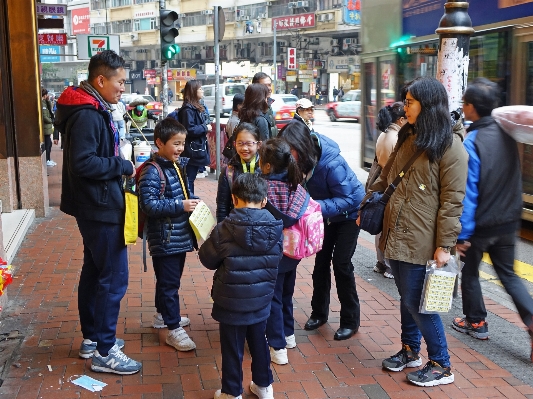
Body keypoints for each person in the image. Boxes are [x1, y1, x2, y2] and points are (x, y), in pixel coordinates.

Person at [361, 76, 468, 387]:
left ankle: (441, 364)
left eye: (409, 102)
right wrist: (367, 205)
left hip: (423, 238)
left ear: (428, 105)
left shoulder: (450, 147)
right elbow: (387, 176)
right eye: (405, 101)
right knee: (407, 297)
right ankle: (411, 350)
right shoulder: (409, 136)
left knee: (419, 302)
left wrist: (444, 245)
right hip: (397, 230)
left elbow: (452, 202)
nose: (403, 107)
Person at [54, 50, 142, 374]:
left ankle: (93, 338)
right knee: (114, 277)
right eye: (119, 82)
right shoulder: (88, 113)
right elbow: (83, 162)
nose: (122, 88)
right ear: (100, 80)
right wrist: (123, 165)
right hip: (99, 205)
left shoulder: (90, 107)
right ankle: (105, 351)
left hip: (93, 203)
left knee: (94, 270)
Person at [452, 78, 533, 355]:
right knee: (509, 275)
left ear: (472, 108)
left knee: (471, 272)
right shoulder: (508, 133)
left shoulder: (472, 140)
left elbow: (469, 192)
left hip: (482, 226)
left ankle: (476, 322)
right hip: (509, 221)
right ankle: (532, 321)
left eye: (465, 103)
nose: (463, 108)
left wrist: (463, 234)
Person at [199, 173, 283, 399]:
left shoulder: (225, 228)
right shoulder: (275, 229)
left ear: (234, 199)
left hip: (231, 301)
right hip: (261, 299)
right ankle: (264, 387)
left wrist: (209, 239)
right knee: (259, 342)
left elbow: (207, 260)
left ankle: (231, 392)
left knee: (232, 347)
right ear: (264, 200)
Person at [279, 123, 365, 341]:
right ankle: (319, 314)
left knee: (341, 264)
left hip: (349, 215)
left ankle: (350, 321)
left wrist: (313, 206)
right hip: (324, 216)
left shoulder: (330, 163)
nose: (287, 155)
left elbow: (350, 198)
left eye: (290, 150)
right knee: (320, 263)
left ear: (302, 146)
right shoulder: (297, 162)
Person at [137, 118, 199, 352]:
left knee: (168, 281)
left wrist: (193, 202)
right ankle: (173, 329)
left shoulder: (175, 165)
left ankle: (163, 315)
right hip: (165, 237)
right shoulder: (152, 171)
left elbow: (183, 192)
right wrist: (181, 205)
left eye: (182, 143)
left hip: (178, 235)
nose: (180, 148)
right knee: (169, 284)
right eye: (176, 143)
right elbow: (149, 205)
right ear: (159, 143)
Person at [259, 138, 309, 365]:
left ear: (268, 166)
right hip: (293, 251)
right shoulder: (296, 186)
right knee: (287, 295)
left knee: (274, 299)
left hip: (273, 253)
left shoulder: (264, 188)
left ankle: (277, 347)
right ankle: (289, 336)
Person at [372, 102, 407, 279]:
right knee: (390, 228)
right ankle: (388, 265)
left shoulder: (383, 135)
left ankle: (380, 263)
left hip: (382, 185)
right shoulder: (397, 138)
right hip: (391, 186)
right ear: (401, 120)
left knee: (381, 227)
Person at [216, 123, 262, 222]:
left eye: (249, 144)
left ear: (259, 145)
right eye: (240, 143)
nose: (244, 148)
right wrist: (222, 229)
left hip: (262, 225)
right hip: (237, 226)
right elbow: (222, 206)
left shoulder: (266, 169)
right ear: (234, 144)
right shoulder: (228, 172)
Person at [176, 79, 211, 194]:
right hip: (191, 150)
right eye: (200, 89)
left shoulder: (195, 107)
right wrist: (205, 128)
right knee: (189, 178)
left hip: (195, 148)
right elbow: (189, 129)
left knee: (190, 178)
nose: (202, 91)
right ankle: (189, 204)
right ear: (193, 91)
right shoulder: (187, 109)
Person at [252, 72, 278, 137]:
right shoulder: (252, 109)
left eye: (269, 85)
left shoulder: (268, 104)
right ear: (255, 87)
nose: (269, 88)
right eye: (264, 86)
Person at [41, 88, 56, 167]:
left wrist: (48, 101)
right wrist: (51, 121)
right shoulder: (42, 104)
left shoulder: (45, 103)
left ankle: (48, 159)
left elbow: (50, 109)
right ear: (45, 95)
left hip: (48, 128)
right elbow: (44, 116)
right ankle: (46, 159)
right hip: (46, 128)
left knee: (49, 144)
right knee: (47, 144)